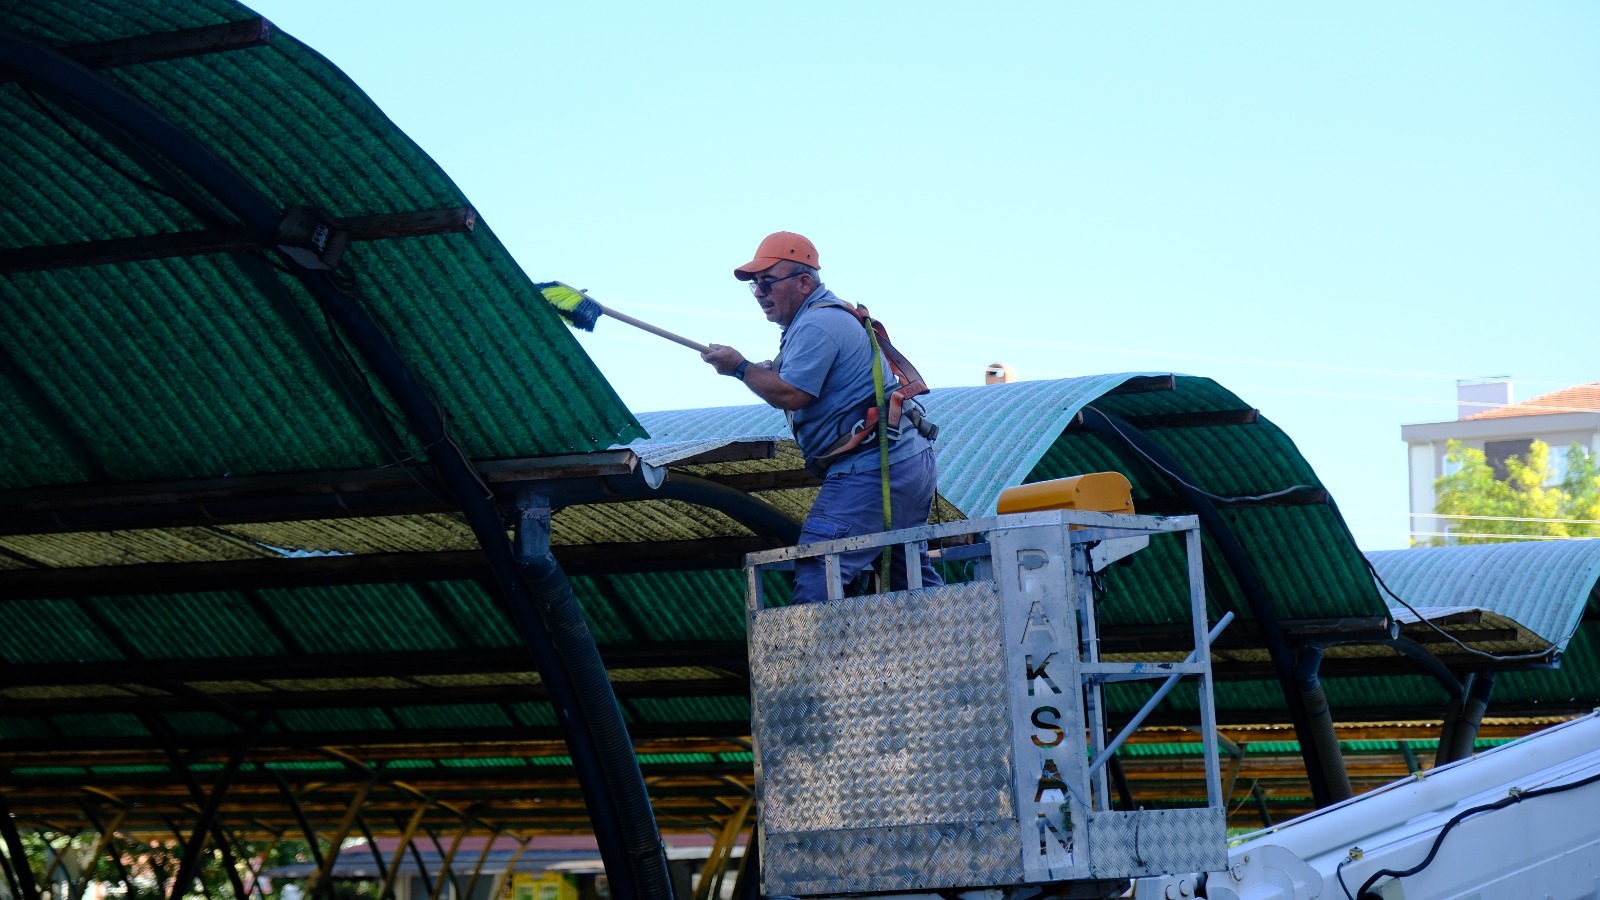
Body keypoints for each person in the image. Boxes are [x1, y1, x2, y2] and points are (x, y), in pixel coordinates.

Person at [700, 231, 942, 603]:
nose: (760, 293)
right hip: (902, 460)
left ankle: (814, 660)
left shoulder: (816, 325)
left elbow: (792, 394)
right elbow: (790, 384)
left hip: (873, 466)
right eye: (755, 286)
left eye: (767, 282)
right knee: (905, 576)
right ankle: (965, 644)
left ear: (803, 282)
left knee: (819, 563)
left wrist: (740, 367)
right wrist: (762, 371)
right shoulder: (822, 319)